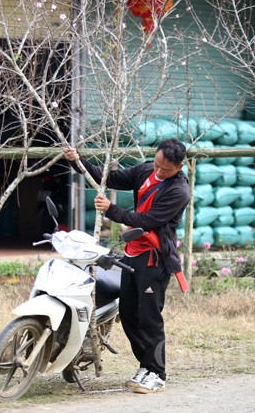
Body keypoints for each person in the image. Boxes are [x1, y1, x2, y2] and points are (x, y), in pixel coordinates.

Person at [63, 139, 190, 394]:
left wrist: (112, 210)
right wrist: (78, 162)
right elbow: (111, 177)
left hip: (154, 259)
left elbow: (147, 220)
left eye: (165, 169)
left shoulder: (179, 191)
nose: (158, 171)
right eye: (157, 164)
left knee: (150, 318)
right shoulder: (145, 171)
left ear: (178, 167)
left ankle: (158, 374)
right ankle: (145, 366)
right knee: (130, 313)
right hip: (133, 253)